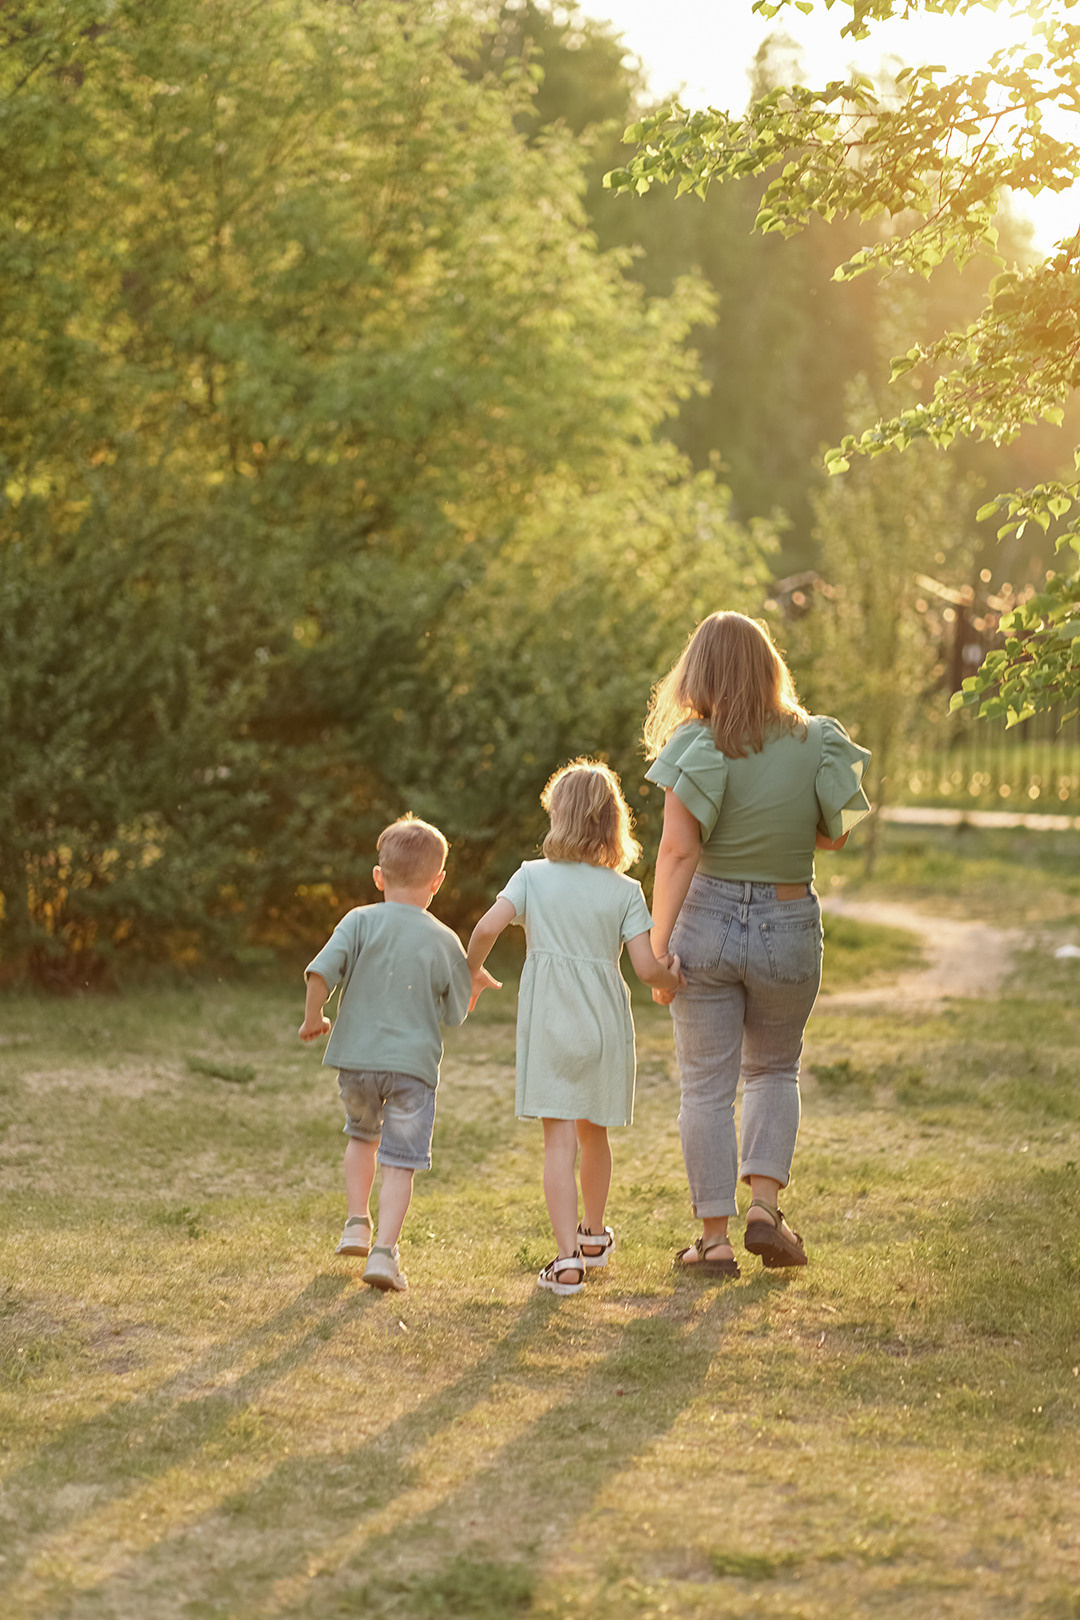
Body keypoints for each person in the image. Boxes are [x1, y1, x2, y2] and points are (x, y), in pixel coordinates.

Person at [643, 611, 871, 1276]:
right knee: (774, 1068)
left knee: (706, 1088)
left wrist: (658, 953)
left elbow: (677, 853)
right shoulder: (819, 741)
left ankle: (713, 1242)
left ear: (699, 673)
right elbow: (838, 834)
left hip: (707, 919)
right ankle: (765, 1210)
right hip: (788, 916)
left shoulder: (696, 744)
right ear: (771, 666)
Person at [467, 759, 684, 1297]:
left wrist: (472, 970)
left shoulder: (531, 877)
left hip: (551, 1026)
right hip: (604, 1025)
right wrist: (670, 979)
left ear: (558, 818)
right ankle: (593, 1235)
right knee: (596, 1134)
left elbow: (486, 927)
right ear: (614, 823)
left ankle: (567, 1262)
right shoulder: (625, 890)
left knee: (557, 1144)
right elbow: (645, 966)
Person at [298, 814, 471, 1294]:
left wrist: (314, 1019)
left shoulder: (357, 921)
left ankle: (357, 1222)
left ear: (379, 877)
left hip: (356, 1063)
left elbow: (319, 973)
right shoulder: (444, 940)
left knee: (361, 1137)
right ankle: (384, 1253)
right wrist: (468, 984)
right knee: (401, 1160)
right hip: (412, 1072)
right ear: (436, 882)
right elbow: (454, 1014)